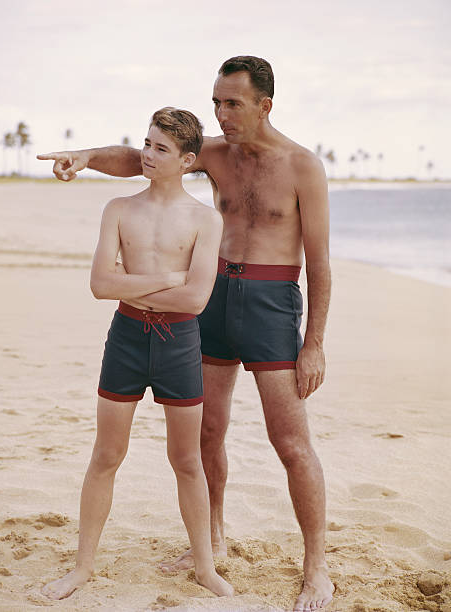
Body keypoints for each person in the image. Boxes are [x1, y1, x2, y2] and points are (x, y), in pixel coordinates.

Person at [38, 56, 334, 611]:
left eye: (233, 104)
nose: (221, 114)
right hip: (213, 298)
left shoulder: (302, 166)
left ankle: (316, 565)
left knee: (290, 441)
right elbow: (142, 159)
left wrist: (313, 341)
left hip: (272, 303)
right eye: (217, 101)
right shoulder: (216, 153)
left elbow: (318, 264)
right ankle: (213, 541)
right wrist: (86, 157)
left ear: (265, 105)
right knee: (208, 431)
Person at [41, 107, 233, 600]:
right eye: (146, 144)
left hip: (180, 343)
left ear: (188, 160)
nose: (147, 155)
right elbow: (101, 285)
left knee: (187, 460)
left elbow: (196, 300)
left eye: (161, 149)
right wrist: (168, 279)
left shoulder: (205, 220)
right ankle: (82, 567)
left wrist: (136, 287)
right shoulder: (119, 209)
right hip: (126, 338)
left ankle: (206, 568)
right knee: (106, 454)